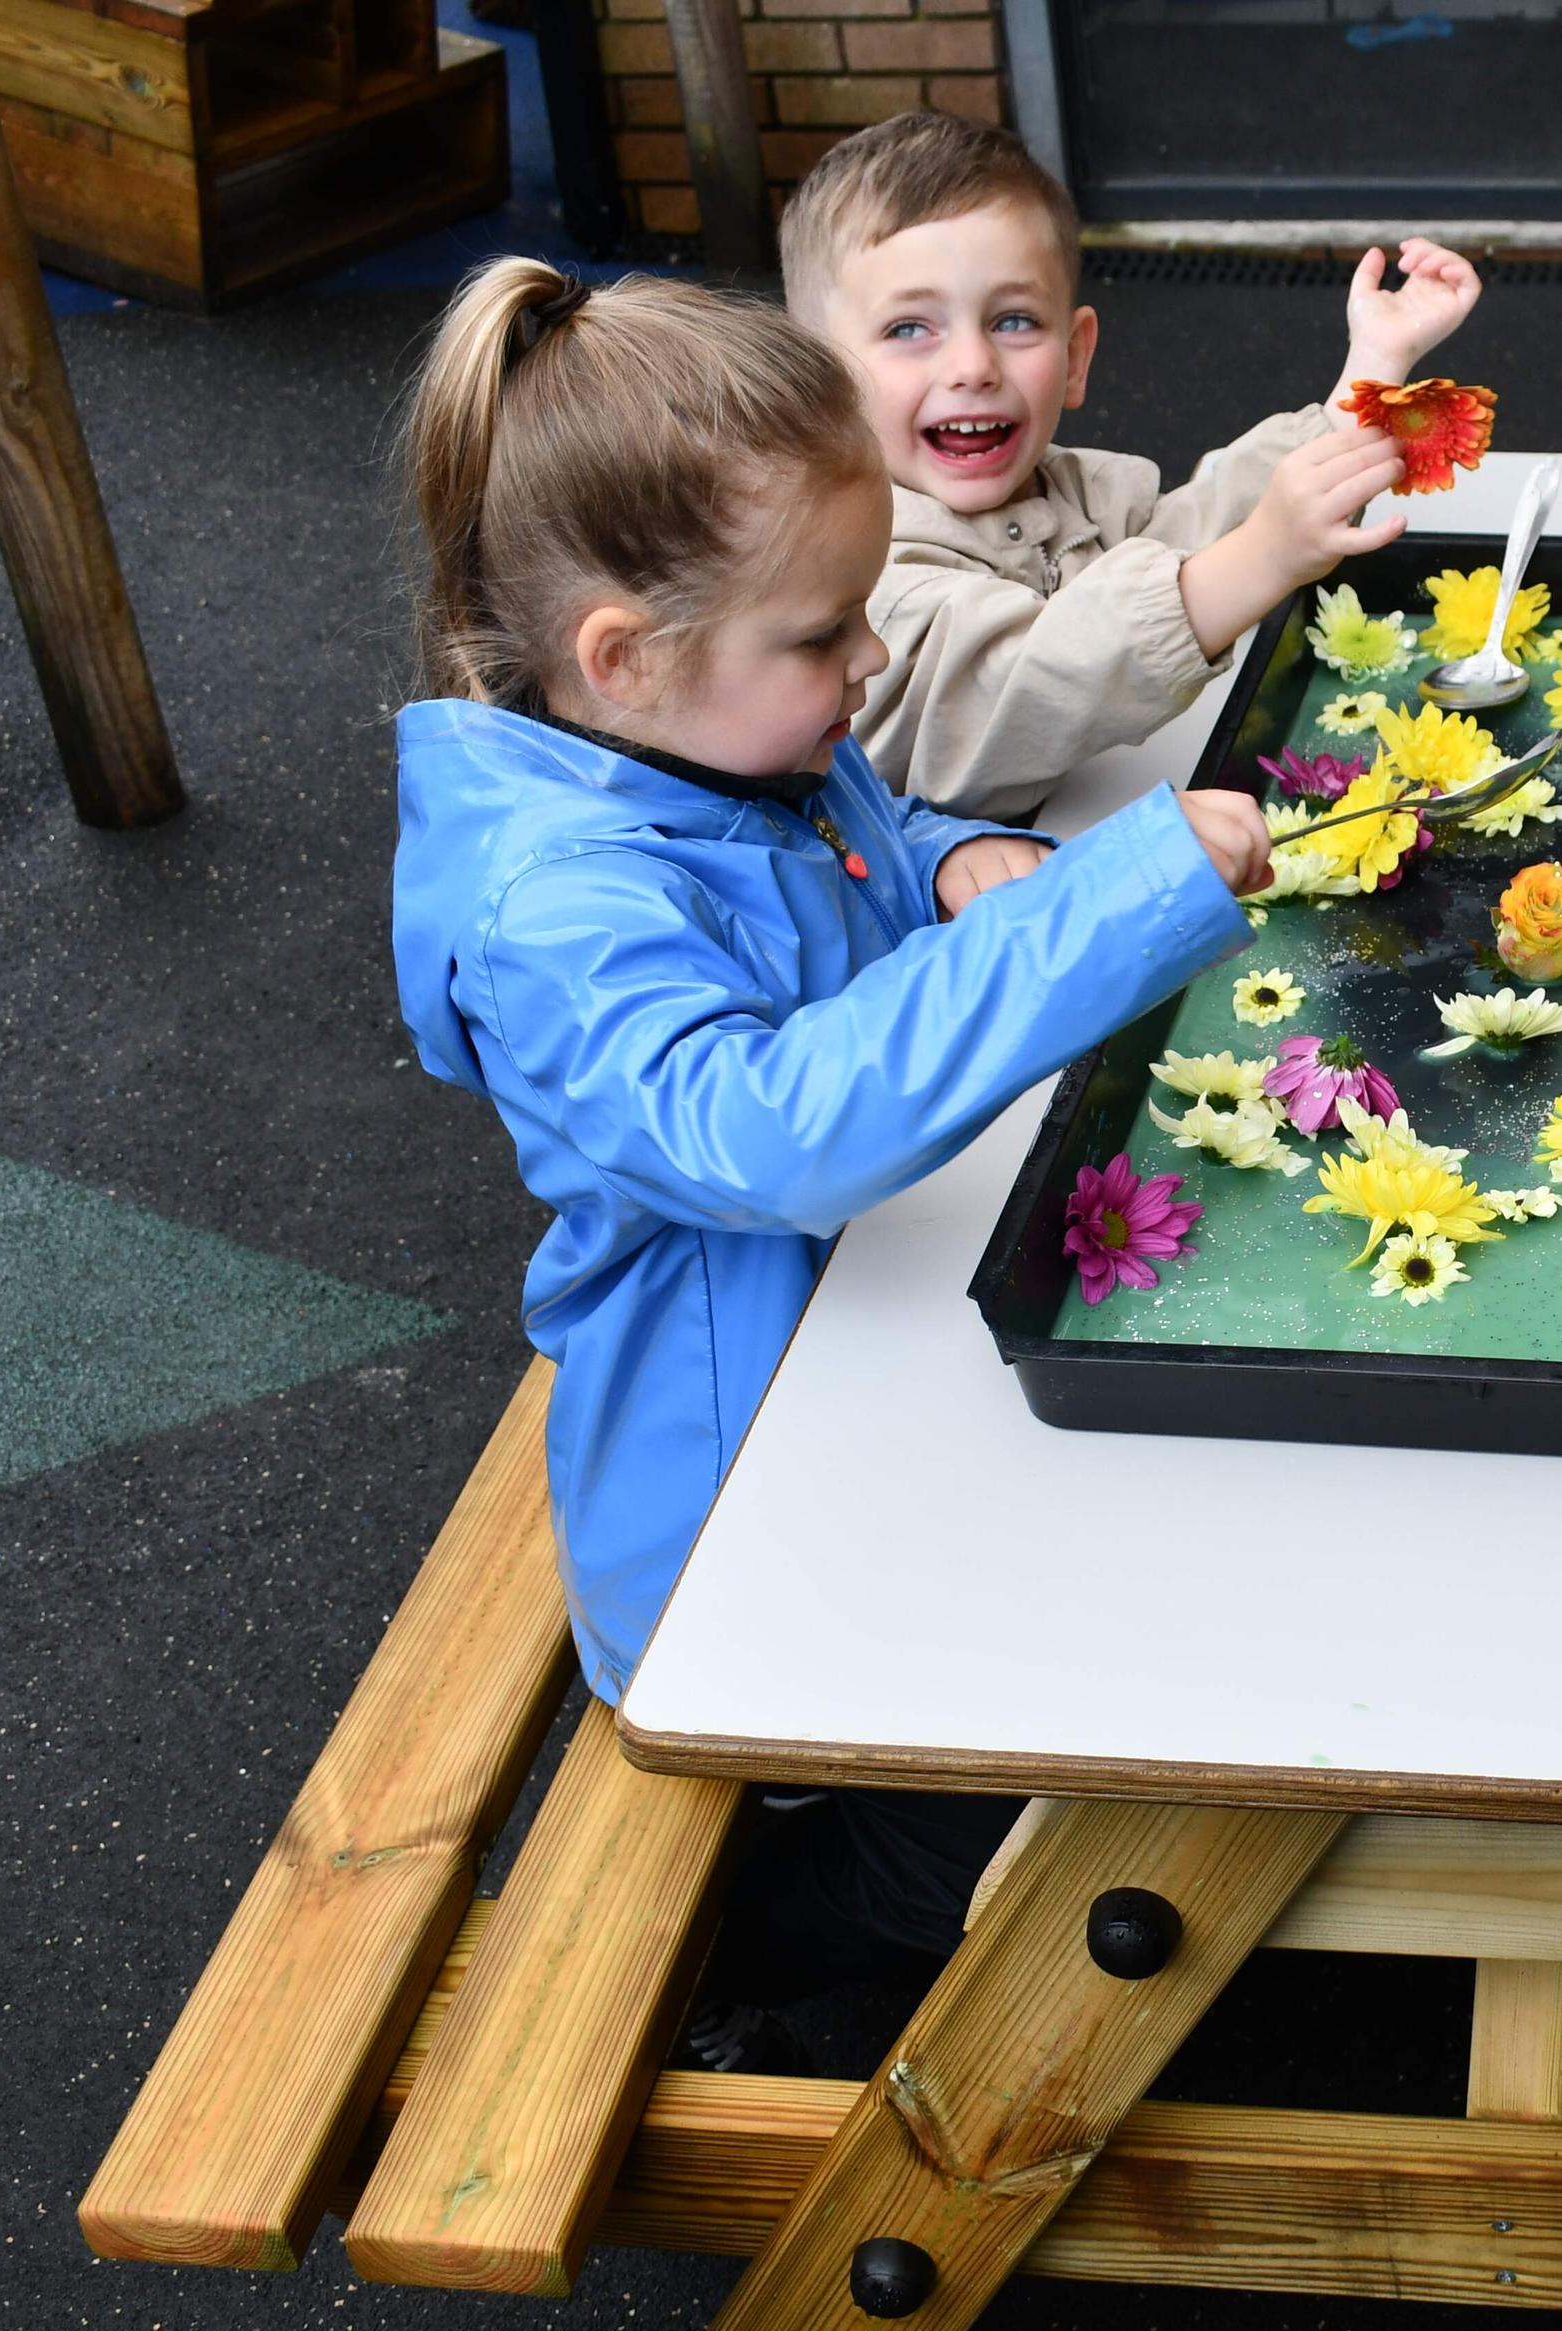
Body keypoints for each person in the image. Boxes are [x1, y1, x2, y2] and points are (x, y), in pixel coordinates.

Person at [388, 259, 1273, 2062]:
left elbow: (856, 835)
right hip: (744, 1516)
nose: (869, 661)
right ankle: (732, 1951)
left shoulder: (712, 743)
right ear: (620, 654)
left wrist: (951, 859)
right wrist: (1108, 902)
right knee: (993, 1859)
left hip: (863, 1372)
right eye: (825, 635)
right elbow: (767, 1130)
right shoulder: (558, 908)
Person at [780, 110, 1482, 819]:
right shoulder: (853, 577)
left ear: (1076, 357)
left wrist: (1368, 374)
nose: (973, 366)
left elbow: (1203, 526)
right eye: (909, 328)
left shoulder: (1078, 493)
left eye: (1013, 321)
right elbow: (1022, 681)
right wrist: (1265, 556)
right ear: (820, 382)